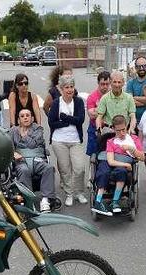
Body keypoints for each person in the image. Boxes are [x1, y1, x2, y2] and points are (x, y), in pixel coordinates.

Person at [92, 115, 144, 216]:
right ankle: (98, 203)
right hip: (111, 161)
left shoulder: (134, 139)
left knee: (121, 171)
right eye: (118, 131)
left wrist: (131, 149)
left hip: (122, 166)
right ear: (113, 129)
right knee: (103, 171)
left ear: (127, 126)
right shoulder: (110, 141)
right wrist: (125, 164)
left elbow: (142, 157)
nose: (121, 133)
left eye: (123, 129)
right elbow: (110, 161)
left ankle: (114, 202)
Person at [48, 75, 87, 207]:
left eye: (71, 87)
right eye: (66, 87)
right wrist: (65, 123)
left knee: (80, 168)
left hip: (75, 140)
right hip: (59, 141)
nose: (69, 90)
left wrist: (65, 118)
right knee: (65, 169)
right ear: (61, 89)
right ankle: (69, 193)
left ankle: (79, 192)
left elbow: (80, 120)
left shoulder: (79, 102)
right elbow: (52, 123)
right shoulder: (56, 103)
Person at [11, 108, 57, 212]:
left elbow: (33, 144)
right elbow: (8, 146)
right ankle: (28, 200)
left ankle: (45, 200)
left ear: (32, 118)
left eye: (27, 115)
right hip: (21, 160)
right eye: (22, 116)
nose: (25, 117)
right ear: (18, 120)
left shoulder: (38, 129)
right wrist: (13, 153)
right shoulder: (13, 130)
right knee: (23, 170)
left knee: (49, 168)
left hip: (37, 159)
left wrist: (24, 136)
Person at [85, 71, 111, 158]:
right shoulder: (92, 97)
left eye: (107, 84)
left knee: (108, 155)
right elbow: (91, 115)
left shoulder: (112, 96)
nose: (105, 87)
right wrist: (107, 110)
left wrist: (98, 110)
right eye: (102, 84)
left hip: (110, 129)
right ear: (98, 83)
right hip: (95, 129)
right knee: (94, 156)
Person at [126, 56, 146, 122]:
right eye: (139, 66)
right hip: (134, 120)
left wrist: (134, 97)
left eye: (144, 66)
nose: (141, 68)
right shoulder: (130, 83)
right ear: (135, 67)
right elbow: (129, 102)